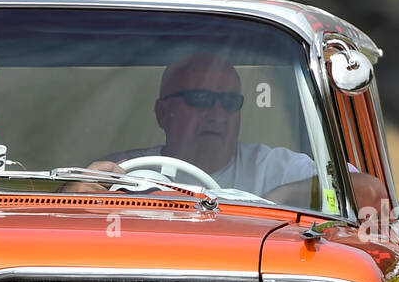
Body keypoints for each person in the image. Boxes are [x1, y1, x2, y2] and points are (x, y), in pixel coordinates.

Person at [66, 53, 317, 204]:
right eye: (200, 99)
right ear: (163, 113)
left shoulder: (275, 168)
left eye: (230, 103)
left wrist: (284, 196)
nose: (218, 114)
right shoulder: (121, 172)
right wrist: (71, 193)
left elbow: (356, 185)